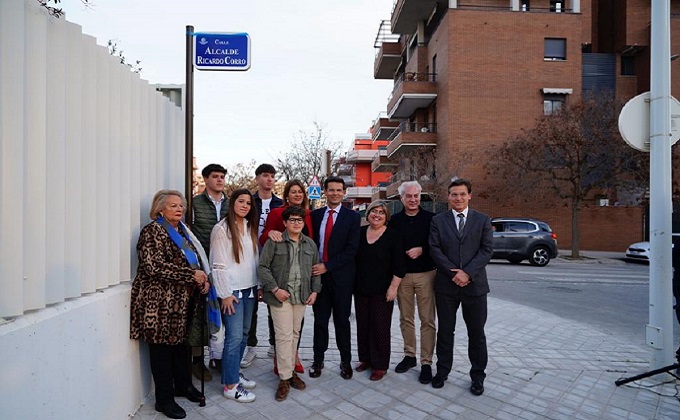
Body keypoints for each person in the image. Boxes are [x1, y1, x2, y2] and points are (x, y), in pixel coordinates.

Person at [130, 190, 210, 419]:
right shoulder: (152, 231)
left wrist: (202, 279)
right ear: (160, 209)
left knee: (181, 347)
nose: (179, 209)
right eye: (174, 206)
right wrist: (191, 275)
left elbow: (196, 262)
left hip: (182, 302)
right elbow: (152, 266)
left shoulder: (183, 232)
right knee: (162, 350)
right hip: (159, 303)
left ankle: (183, 386)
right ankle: (164, 400)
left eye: (181, 206)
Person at [429, 178, 493, 395]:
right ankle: (442, 371)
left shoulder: (483, 220)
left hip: (475, 287)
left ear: (469, 196)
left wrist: (468, 273)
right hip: (446, 287)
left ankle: (478, 377)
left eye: (462, 194)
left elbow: (486, 250)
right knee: (446, 332)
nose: (458, 198)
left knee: (477, 333)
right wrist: (453, 272)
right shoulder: (438, 221)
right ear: (448, 197)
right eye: (454, 194)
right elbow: (435, 249)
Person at [258, 206, 321, 401]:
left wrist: (315, 291)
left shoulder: (310, 244)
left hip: (301, 296)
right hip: (280, 296)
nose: (296, 223)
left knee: (294, 334)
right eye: (292, 220)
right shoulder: (275, 242)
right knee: (284, 336)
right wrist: (275, 289)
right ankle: (285, 378)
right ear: (285, 223)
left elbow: (315, 269)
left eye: (299, 220)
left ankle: (291, 371)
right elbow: (263, 267)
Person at [210, 189, 261, 403]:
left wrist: (258, 285)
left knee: (244, 333)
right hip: (232, 292)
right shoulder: (221, 229)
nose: (245, 206)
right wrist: (224, 294)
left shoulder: (249, 227)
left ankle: (233, 374)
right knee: (233, 338)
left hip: (249, 289)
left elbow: (254, 259)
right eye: (241, 201)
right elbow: (218, 264)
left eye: (248, 203)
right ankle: (230, 386)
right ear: (232, 203)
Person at [259, 179, 313, 374]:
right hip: (280, 275)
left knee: (296, 325)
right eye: (293, 192)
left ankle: (294, 355)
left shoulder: (307, 215)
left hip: (301, 277)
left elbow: (311, 242)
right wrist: (272, 231)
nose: (297, 195)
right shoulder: (276, 213)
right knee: (280, 324)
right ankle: (280, 358)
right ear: (287, 195)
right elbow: (264, 237)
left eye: (300, 192)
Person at [309, 176, 361, 379]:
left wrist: (327, 266)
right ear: (325, 191)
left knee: (342, 321)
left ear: (344, 192)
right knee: (320, 321)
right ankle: (317, 360)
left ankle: (345, 361)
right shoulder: (315, 215)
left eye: (339, 190)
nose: (335, 193)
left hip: (341, 278)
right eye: (331, 190)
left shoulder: (352, 217)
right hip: (318, 279)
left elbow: (351, 249)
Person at [389, 181, 437, 384]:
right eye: (408, 196)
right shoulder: (395, 220)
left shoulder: (431, 219)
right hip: (403, 276)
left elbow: (438, 244)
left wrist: (422, 249)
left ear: (420, 196)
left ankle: (426, 362)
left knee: (427, 320)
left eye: (416, 195)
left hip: (427, 274)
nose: (413, 199)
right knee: (406, 318)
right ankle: (410, 356)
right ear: (401, 198)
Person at [354, 201, 405, 381]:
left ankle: (380, 365)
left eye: (381, 213)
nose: (377, 215)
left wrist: (393, 288)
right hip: (361, 288)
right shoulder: (360, 234)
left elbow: (400, 266)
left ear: (386, 217)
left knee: (380, 327)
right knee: (363, 325)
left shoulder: (393, 236)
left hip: (383, 290)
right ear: (368, 214)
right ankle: (366, 359)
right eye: (374, 211)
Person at [241, 163, 283, 368]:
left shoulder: (279, 204)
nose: (269, 179)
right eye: (265, 176)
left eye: (272, 176)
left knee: (274, 304)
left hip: (273, 260)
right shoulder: (249, 201)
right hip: (250, 256)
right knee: (251, 304)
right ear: (257, 178)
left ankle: (275, 345)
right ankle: (251, 346)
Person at [190, 163, 229, 381]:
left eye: (222, 176)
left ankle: (219, 357)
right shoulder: (194, 204)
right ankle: (197, 361)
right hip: (201, 266)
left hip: (224, 267)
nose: (219, 180)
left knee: (222, 314)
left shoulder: (230, 204)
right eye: (215, 176)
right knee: (199, 316)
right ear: (205, 179)